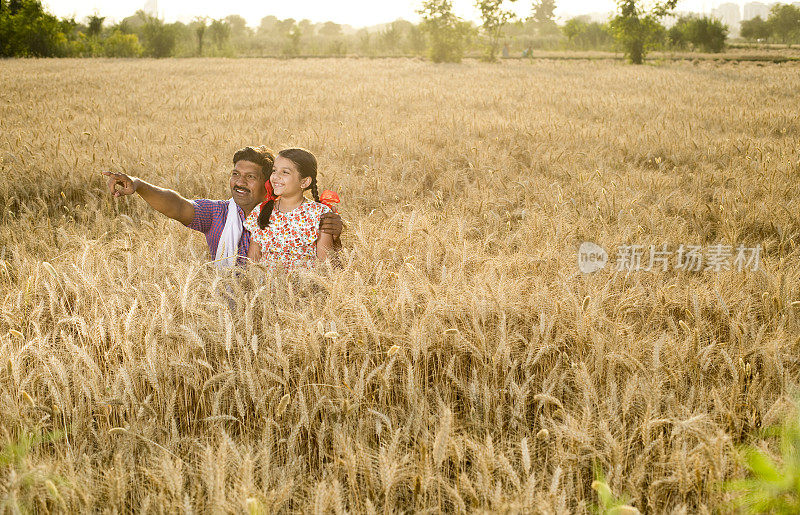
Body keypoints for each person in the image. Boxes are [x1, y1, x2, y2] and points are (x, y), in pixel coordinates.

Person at [102, 146, 343, 267]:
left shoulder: (309, 214)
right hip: (233, 308)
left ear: (266, 182)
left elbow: (328, 263)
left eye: (250, 177)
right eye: (235, 174)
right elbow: (177, 206)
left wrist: (335, 234)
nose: (239, 182)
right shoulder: (218, 213)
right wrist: (140, 185)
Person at [245, 148, 339, 273]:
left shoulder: (319, 213)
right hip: (267, 289)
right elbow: (252, 262)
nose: (275, 177)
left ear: (304, 182)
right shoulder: (261, 211)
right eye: (274, 171)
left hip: (303, 289)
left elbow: (325, 265)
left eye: (285, 172)